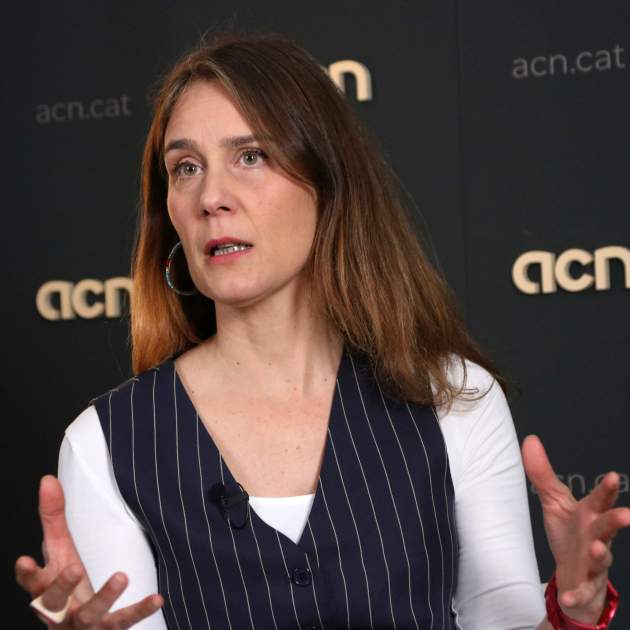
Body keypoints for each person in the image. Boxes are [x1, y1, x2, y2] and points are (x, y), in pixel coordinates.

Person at [15, 32, 629, 630]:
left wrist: (572, 616)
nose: (211, 197)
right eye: (186, 167)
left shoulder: (454, 398)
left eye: (250, 156)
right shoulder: (104, 444)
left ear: (326, 181)